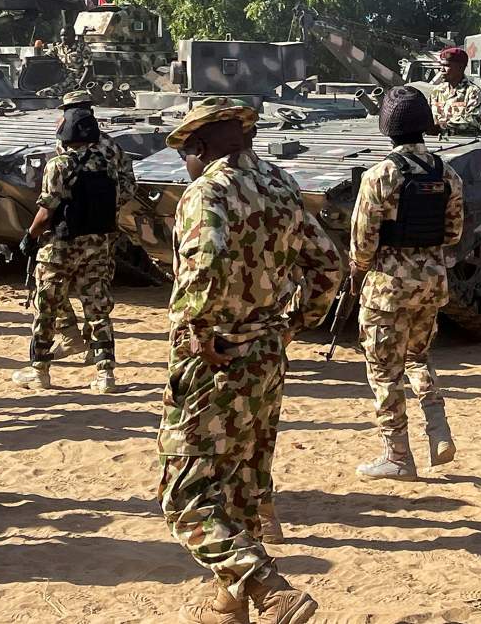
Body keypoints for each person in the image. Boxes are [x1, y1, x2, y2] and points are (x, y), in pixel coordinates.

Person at [158, 97, 341, 624]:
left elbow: (206, 262)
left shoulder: (207, 192)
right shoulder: (281, 185)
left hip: (216, 354)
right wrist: (293, 323)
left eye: (186, 152)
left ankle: (270, 590)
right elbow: (328, 265)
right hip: (265, 353)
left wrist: (197, 329)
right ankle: (229, 602)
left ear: (200, 145)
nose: (186, 163)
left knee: (184, 496)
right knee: (240, 482)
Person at [351, 86, 464, 480]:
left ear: (387, 128)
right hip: (431, 284)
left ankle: (398, 456)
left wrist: (358, 272)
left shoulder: (379, 176)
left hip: (388, 289)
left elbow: (362, 242)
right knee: (418, 357)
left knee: (384, 371)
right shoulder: (447, 174)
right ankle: (438, 429)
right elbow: (453, 233)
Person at [11, 108, 124, 393]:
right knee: (98, 310)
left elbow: (47, 210)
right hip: (96, 247)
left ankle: (39, 371)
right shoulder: (107, 164)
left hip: (60, 249)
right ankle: (105, 374)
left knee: (46, 309)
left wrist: (30, 236)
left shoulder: (59, 165)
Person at [45, 90, 137, 362]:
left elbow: (58, 187)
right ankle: (90, 345)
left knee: (51, 284)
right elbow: (129, 183)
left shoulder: (68, 143)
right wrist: (108, 206)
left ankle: (72, 335)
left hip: (70, 228)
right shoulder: (111, 145)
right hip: (103, 228)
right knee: (96, 288)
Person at [428, 47, 481, 135]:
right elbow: (427, 117)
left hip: (462, 141)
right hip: (435, 140)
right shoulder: (437, 91)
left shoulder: (472, 92)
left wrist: (441, 127)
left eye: (446, 65)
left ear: (460, 67)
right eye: (441, 65)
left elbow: (472, 122)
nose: (441, 69)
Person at [37, 27, 93, 98]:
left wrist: (80, 86)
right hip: (64, 79)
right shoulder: (58, 48)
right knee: (40, 92)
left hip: (77, 80)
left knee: (44, 93)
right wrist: (27, 59)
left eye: (66, 35)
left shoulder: (82, 47)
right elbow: (43, 58)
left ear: (73, 36)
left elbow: (89, 69)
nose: (63, 38)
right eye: (61, 35)